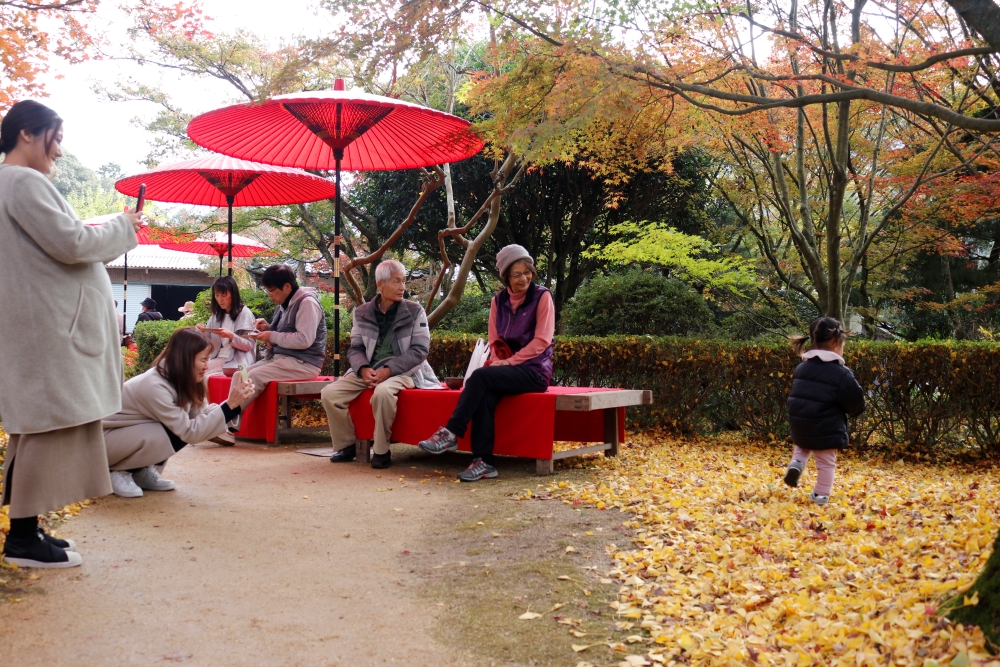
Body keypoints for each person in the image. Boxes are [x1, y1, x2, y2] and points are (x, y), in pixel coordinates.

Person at [0, 100, 142, 568]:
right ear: (26, 133)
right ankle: (22, 539)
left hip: (42, 328)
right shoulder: (22, 181)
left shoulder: (14, 184)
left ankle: (28, 528)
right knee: (44, 425)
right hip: (48, 332)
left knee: (39, 425)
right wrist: (124, 226)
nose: (58, 152)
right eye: (55, 138)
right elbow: (73, 244)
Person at [419, 244, 554, 481]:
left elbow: (542, 340)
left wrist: (511, 362)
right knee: (484, 396)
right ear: (505, 277)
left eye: (527, 272)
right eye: (516, 274)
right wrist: (499, 360)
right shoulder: (497, 301)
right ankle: (484, 462)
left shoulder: (542, 296)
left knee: (479, 377)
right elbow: (494, 340)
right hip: (507, 370)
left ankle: (451, 432)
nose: (524, 278)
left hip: (534, 372)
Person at [102, 328, 255, 497]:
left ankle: (140, 470)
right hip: (105, 443)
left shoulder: (185, 378)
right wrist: (230, 405)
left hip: (127, 436)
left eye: (208, 359)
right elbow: (189, 432)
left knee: (172, 428)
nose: (207, 366)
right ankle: (117, 470)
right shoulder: (154, 385)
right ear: (186, 359)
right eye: (203, 360)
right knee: (168, 431)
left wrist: (234, 403)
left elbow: (201, 415)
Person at [322, 260, 440, 469]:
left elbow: (420, 350)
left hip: (404, 371)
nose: (402, 287)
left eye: (404, 281)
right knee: (330, 393)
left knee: (383, 393)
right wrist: (363, 369)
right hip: (368, 370)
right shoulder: (362, 312)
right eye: (396, 282)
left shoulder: (415, 311)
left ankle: (381, 450)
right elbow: (356, 348)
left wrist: (389, 370)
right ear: (380, 284)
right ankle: (348, 445)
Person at [783, 317, 865, 505]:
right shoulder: (841, 373)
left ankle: (796, 464)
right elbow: (855, 401)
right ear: (836, 343)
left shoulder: (802, 367)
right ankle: (820, 496)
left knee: (803, 445)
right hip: (826, 425)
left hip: (800, 421)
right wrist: (857, 410)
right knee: (826, 462)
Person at [235, 265, 326, 422]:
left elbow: (304, 340)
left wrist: (272, 335)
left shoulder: (307, 303)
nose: (269, 295)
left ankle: (226, 422)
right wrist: (268, 329)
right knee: (239, 374)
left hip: (304, 363)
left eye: (271, 290)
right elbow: (282, 335)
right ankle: (231, 423)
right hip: (283, 359)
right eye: (267, 290)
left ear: (287, 287)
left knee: (253, 376)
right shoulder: (283, 304)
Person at [196, 276, 256, 376]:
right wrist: (203, 333)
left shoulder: (245, 314)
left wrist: (231, 336)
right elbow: (209, 343)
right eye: (217, 295)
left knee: (242, 377)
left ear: (233, 294)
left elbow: (249, 345)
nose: (220, 300)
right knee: (196, 372)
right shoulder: (216, 315)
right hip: (218, 358)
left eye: (224, 295)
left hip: (240, 362)